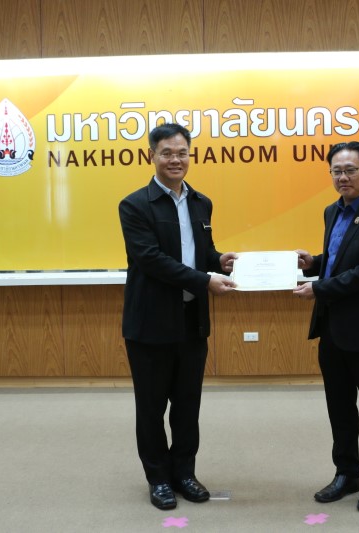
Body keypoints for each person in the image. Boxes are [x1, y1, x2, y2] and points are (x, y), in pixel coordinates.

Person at [118, 122, 236, 511]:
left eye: (182, 152)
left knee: (187, 406)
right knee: (151, 408)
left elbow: (201, 252)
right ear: (151, 155)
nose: (175, 159)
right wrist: (205, 280)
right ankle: (158, 479)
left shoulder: (202, 202)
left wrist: (219, 261)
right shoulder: (135, 205)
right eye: (167, 152)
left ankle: (185, 474)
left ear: (190, 155)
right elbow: (151, 260)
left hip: (191, 321)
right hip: (150, 323)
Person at [294, 141, 359, 513]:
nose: (343, 177)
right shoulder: (332, 211)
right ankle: (346, 474)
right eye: (336, 171)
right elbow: (340, 259)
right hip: (332, 328)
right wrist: (313, 263)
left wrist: (320, 288)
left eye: (351, 170)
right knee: (339, 407)